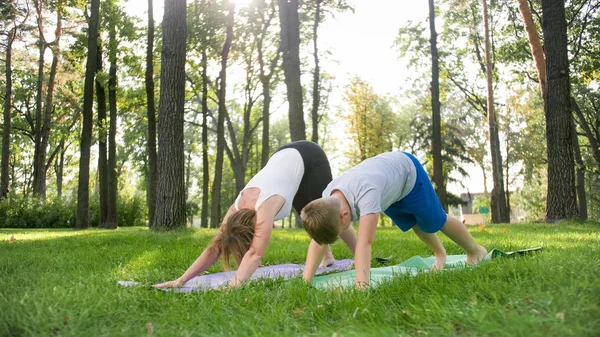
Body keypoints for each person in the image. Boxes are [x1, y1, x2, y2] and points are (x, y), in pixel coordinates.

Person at [155, 140, 337, 289]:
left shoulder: (264, 207)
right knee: (307, 209)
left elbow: (255, 254)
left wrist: (234, 285)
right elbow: (214, 248)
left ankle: (355, 253)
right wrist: (181, 280)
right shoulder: (236, 207)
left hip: (311, 156)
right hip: (283, 156)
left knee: (326, 213)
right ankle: (327, 257)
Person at [300, 151, 488, 289]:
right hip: (390, 186)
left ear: (344, 215)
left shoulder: (367, 195)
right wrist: (306, 281)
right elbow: (319, 242)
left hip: (408, 174)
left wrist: (361, 286)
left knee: (434, 221)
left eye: (340, 230)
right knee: (414, 223)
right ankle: (440, 253)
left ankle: (475, 250)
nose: (342, 233)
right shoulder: (327, 198)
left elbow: (365, 243)